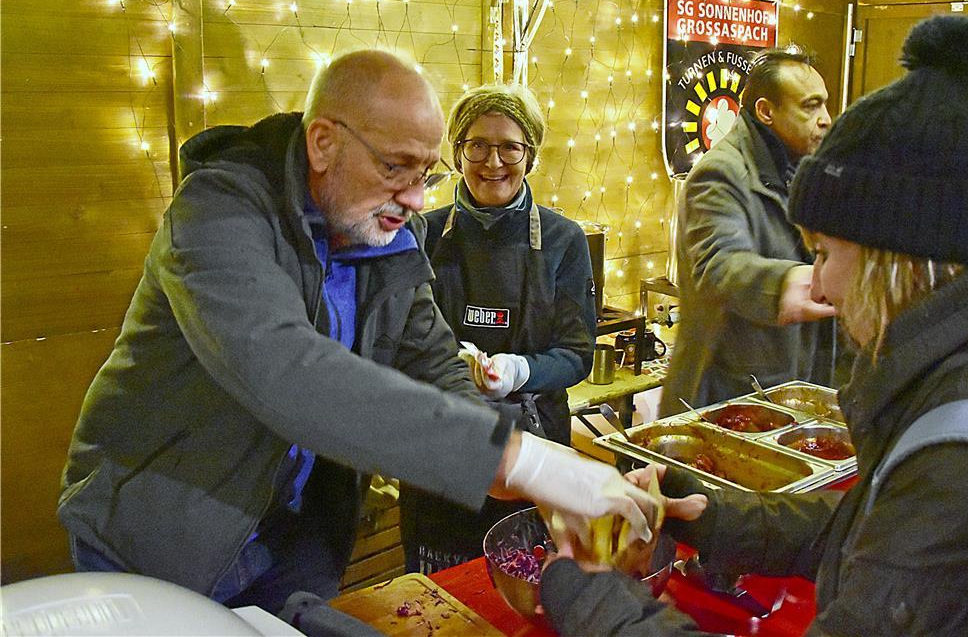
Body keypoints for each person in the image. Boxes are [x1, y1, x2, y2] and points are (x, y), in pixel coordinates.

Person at [539, 16, 968, 635]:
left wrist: (588, 594)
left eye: (823, 251)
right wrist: (708, 513)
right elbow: (870, 521)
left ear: (894, 259)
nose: (818, 283)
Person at [57, 50, 655, 614]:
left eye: (426, 173)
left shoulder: (387, 235)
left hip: (298, 537)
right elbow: (286, 371)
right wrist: (535, 467)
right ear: (323, 142)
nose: (417, 198)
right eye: (395, 167)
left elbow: (439, 367)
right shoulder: (220, 210)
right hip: (167, 531)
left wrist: (544, 485)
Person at [399, 83, 597, 573]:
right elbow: (397, 341)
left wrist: (517, 371)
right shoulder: (419, 233)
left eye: (510, 146)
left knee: (526, 584)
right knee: (438, 598)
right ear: (457, 152)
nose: (493, 162)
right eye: (477, 146)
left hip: (533, 447)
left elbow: (576, 354)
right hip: (439, 443)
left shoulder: (562, 240)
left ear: (529, 155)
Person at [661, 48, 841, 414]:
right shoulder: (720, 174)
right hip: (728, 396)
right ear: (765, 111)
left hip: (787, 389)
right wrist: (788, 283)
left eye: (825, 105)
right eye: (810, 106)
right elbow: (718, 266)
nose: (826, 120)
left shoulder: (804, 169)